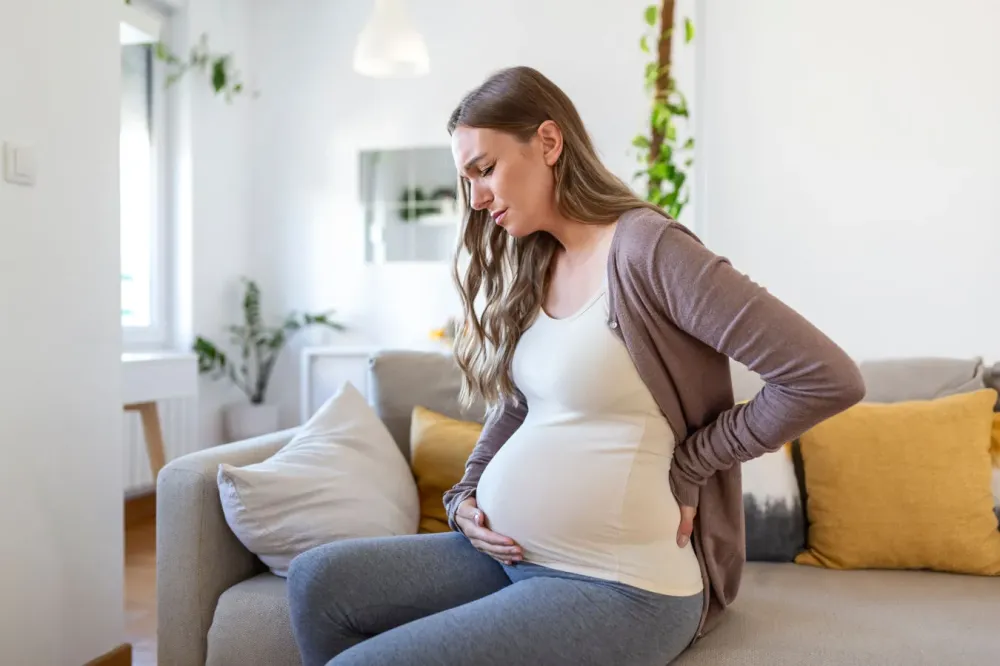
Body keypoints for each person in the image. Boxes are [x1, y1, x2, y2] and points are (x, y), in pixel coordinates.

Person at [286, 66, 865, 666]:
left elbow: (824, 377)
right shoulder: (539, 260)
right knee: (316, 581)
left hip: (619, 582)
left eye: (485, 170)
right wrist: (463, 497)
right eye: (467, 180)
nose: (475, 198)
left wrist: (695, 460)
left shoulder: (648, 250)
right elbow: (520, 405)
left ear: (549, 142)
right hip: (511, 554)